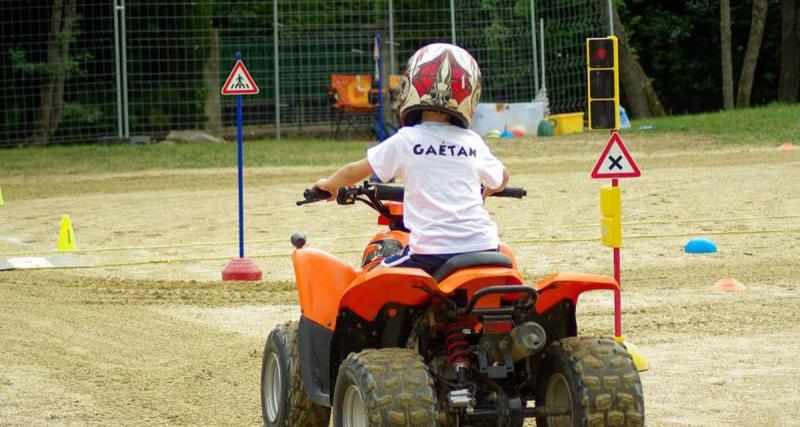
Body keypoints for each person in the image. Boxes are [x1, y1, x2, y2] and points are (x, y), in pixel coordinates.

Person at [311, 43, 508, 275]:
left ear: (412, 86)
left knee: (370, 278)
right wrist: (486, 190)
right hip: (485, 244)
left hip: (431, 253)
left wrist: (329, 185)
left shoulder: (407, 139)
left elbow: (354, 171)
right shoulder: (473, 141)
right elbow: (501, 178)